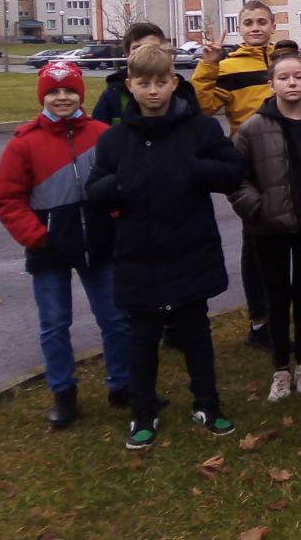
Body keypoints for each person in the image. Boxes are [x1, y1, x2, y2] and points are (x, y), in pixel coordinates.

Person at [86, 43, 244, 449]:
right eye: (144, 83)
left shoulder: (199, 129)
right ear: (130, 86)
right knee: (142, 338)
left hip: (189, 246)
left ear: (174, 83)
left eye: (161, 82)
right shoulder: (115, 140)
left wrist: (190, 170)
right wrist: (120, 185)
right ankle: (143, 413)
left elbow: (231, 171)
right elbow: (96, 192)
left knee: (195, 332)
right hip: (139, 253)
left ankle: (208, 404)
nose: (153, 91)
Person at [193, 0, 301, 354]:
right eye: (248, 22)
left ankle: (294, 319)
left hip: (296, 163)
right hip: (255, 167)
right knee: (255, 248)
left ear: (272, 24)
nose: (255, 27)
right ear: (240, 25)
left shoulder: (292, 64)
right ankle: (260, 320)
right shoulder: (229, 66)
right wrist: (207, 65)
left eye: (261, 21)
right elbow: (202, 106)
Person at [0, 59, 130, 428]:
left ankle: (122, 384)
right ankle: (63, 393)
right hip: (49, 249)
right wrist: (39, 237)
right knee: (55, 324)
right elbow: (8, 200)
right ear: (43, 96)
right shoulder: (24, 143)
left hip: (99, 245)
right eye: (53, 92)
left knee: (116, 319)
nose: (62, 97)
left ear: (81, 94)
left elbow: (122, 183)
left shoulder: (102, 135)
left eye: (69, 90)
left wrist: (114, 221)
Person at [229, 48, 301, 402]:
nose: (291, 82)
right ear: (271, 84)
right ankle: (281, 369)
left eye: (298, 76)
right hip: (270, 229)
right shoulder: (252, 129)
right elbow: (237, 179)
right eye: (283, 77)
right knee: (277, 298)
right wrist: (259, 208)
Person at [92, 21, 197, 126]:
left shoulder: (183, 91)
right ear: (128, 55)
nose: (145, 53)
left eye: (152, 47)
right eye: (137, 49)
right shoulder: (114, 93)